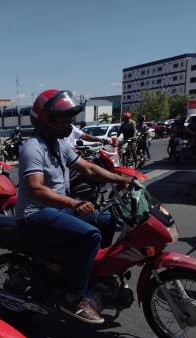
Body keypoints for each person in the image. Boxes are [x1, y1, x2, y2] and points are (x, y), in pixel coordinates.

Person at [17, 89, 131, 324]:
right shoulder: (33, 148)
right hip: (35, 214)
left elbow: (88, 168)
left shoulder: (59, 145)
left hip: (56, 210)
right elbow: (36, 189)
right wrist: (75, 202)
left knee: (108, 219)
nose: (70, 123)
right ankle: (73, 299)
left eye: (70, 117)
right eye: (64, 118)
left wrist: (123, 178)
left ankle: (94, 277)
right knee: (90, 235)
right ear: (47, 120)